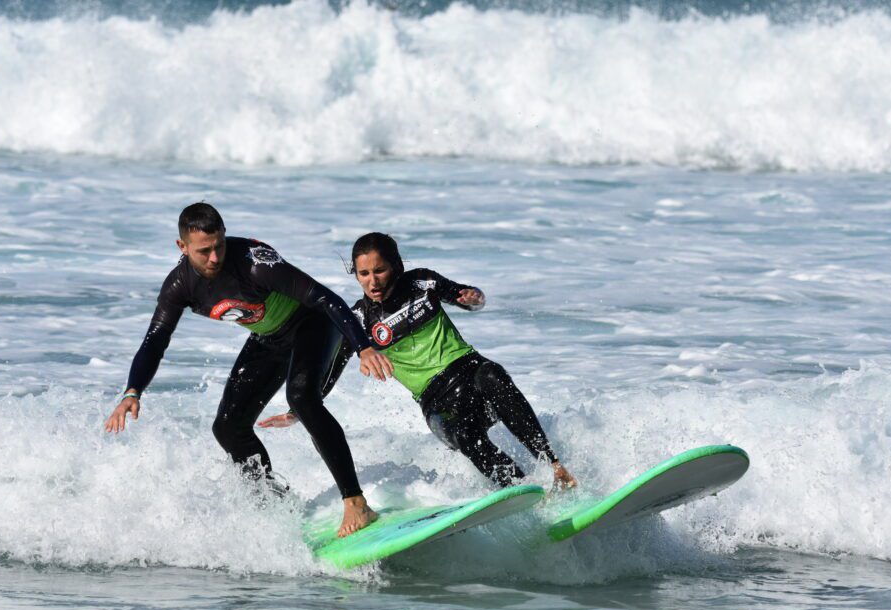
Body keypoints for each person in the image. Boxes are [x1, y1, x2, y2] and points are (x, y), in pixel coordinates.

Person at [104, 204, 394, 537]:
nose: (215, 257)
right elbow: (155, 340)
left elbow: (324, 298)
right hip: (270, 337)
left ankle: (356, 502)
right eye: (204, 251)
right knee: (227, 428)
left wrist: (363, 346)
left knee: (302, 398)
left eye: (220, 245)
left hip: (312, 323)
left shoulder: (254, 264)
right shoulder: (179, 286)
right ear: (182, 247)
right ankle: (274, 508)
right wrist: (132, 391)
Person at [260, 232, 577, 490]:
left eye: (379, 270)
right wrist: (298, 410)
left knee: (492, 373)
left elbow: (465, 296)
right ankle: (523, 491)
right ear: (355, 275)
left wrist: (473, 298)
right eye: (364, 273)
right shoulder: (357, 320)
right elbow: (330, 372)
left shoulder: (421, 283)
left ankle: (555, 466)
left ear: (396, 266)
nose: (373, 281)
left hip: (469, 374)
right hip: (437, 404)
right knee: (467, 437)